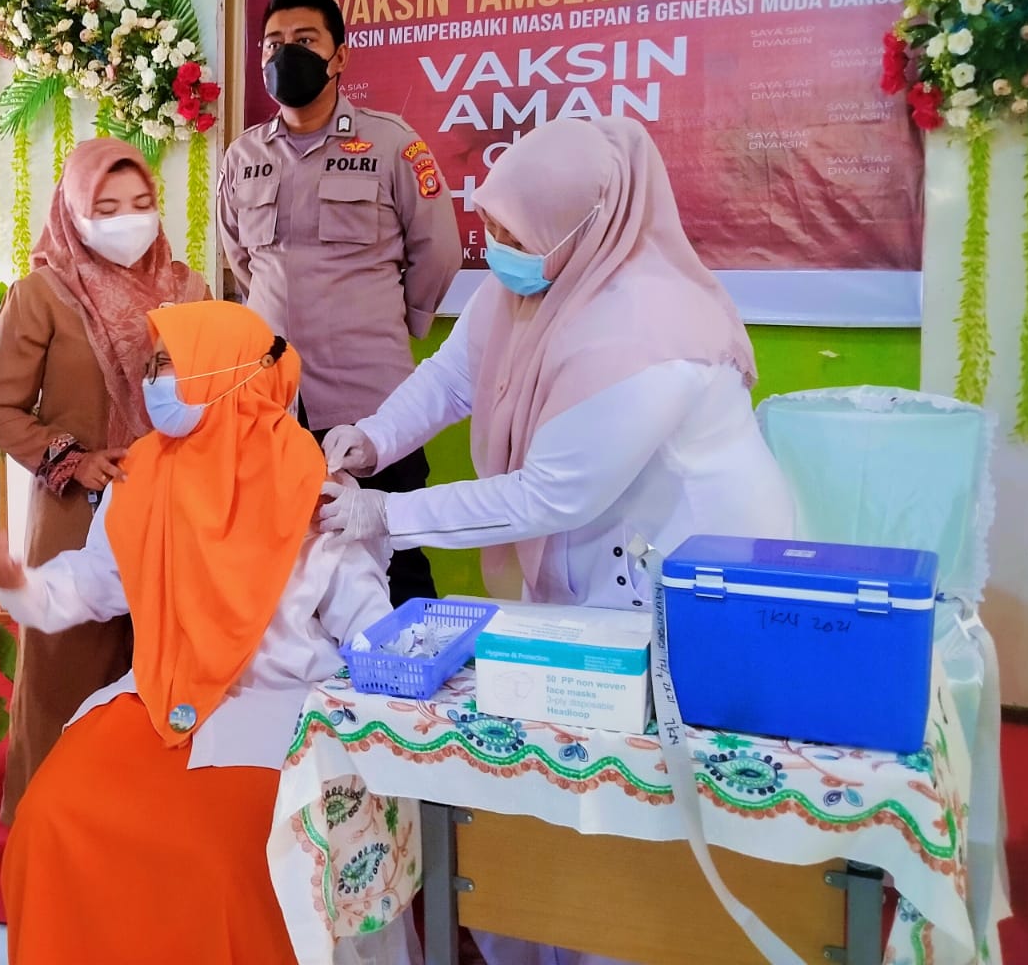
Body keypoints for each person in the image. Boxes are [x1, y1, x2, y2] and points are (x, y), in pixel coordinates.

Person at [317, 116, 798, 965]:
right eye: (491, 227)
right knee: (565, 793)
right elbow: (452, 376)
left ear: (588, 227)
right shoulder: (534, 282)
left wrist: (385, 514)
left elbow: (547, 494)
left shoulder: (653, 334)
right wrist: (372, 439)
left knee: (655, 807)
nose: (495, 248)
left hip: (696, 585)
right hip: (599, 574)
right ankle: (547, 926)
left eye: (513, 234)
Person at [0, 300, 410, 965]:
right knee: (52, 816)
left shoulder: (309, 482)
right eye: (152, 366)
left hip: (280, 705)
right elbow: (93, 582)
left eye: (174, 365)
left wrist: (404, 667)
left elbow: (364, 619)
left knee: (221, 860)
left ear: (228, 372)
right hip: (160, 694)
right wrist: (19, 583)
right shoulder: (143, 475)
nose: (155, 381)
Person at [0, 137, 208, 822]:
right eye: (105, 206)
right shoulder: (43, 294)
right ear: (74, 211)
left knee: (158, 679)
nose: (126, 219)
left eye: (140, 203)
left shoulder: (189, 288)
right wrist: (73, 460)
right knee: (66, 681)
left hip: (174, 515)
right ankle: (45, 835)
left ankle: (138, 843)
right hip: (78, 513)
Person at [219, 0, 461, 606]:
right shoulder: (242, 156)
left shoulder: (390, 143)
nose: (286, 54)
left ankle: (413, 698)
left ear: (340, 57)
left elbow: (437, 249)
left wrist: (396, 322)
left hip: (372, 398)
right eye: (275, 43)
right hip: (272, 405)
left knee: (394, 558)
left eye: (305, 41)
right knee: (282, 565)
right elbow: (240, 261)